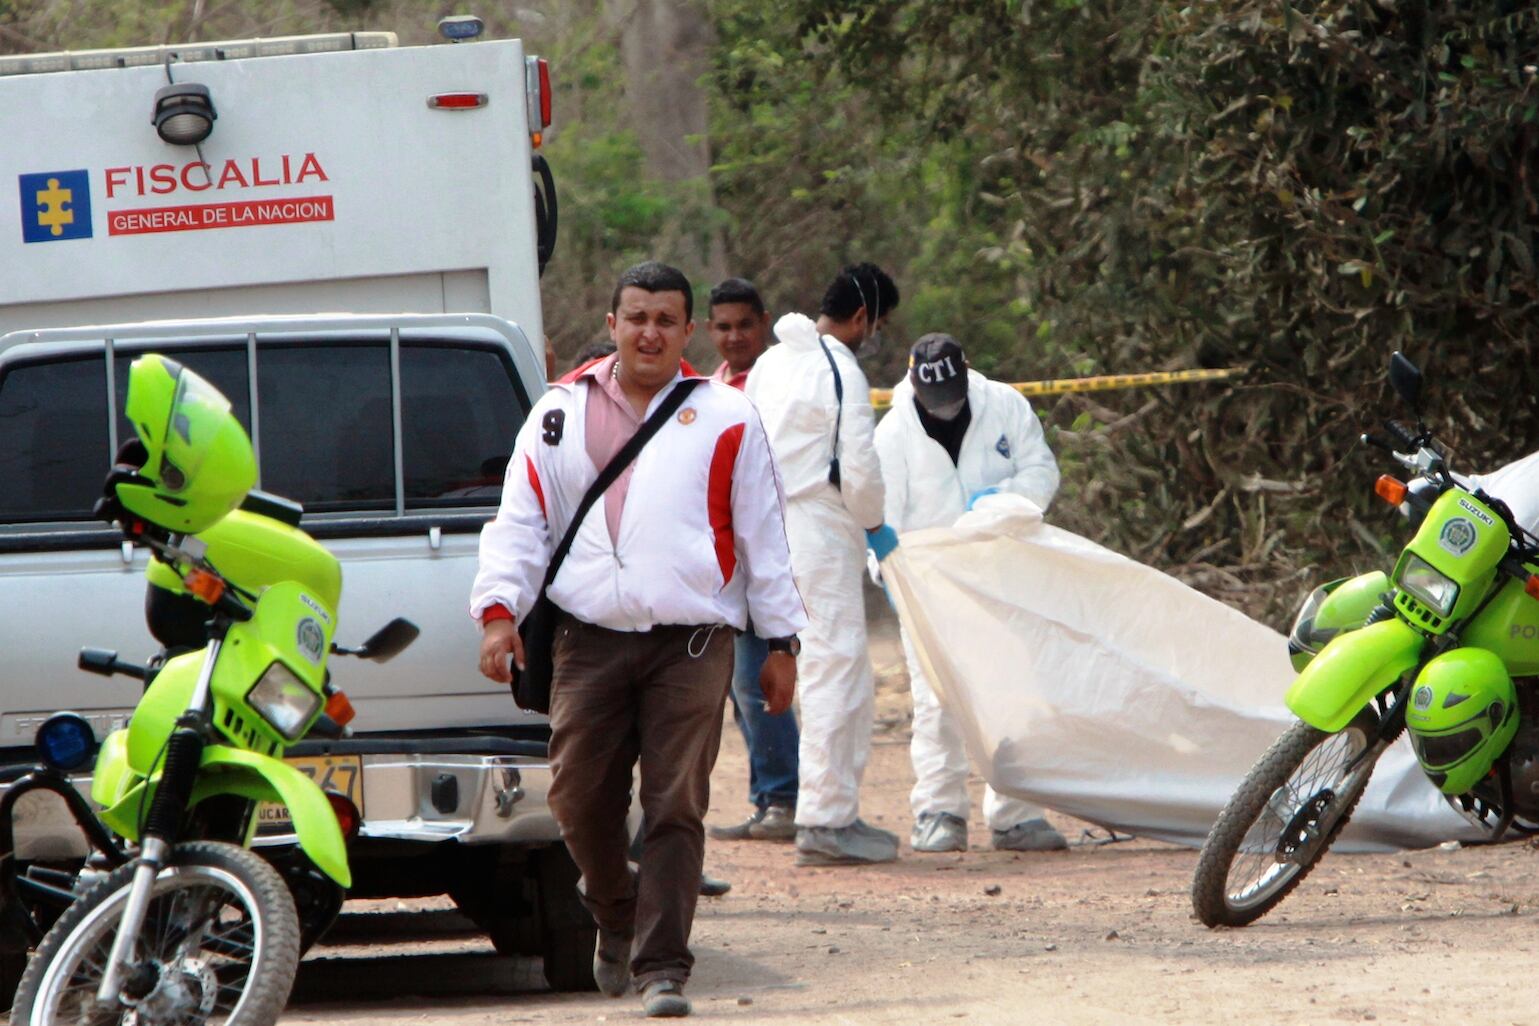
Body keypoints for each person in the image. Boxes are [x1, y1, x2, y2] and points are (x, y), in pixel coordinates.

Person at [470, 261, 806, 1018]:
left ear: (686, 332)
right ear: (611, 324)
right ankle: (614, 912)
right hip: (587, 641)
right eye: (635, 317)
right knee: (577, 800)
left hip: (691, 643)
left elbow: (762, 534)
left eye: (665, 319)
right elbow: (520, 520)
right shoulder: (557, 412)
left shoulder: (724, 414)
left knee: (674, 804)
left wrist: (780, 641)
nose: (648, 331)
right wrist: (498, 611)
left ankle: (663, 968)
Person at [873, 333, 1068, 853]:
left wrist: (999, 500)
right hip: (928, 586)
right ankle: (938, 811)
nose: (945, 409)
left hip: (1004, 576)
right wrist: (888, 574)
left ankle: (1017, 815)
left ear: (967, 372)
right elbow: (879, 515)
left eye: (953, 398)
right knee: (936, 700)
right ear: (913, 383)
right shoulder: (893, 433)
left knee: (1014, 692)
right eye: (935, 401)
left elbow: (1041, 471)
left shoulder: (1005, 405)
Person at [745, 262, 902, 866]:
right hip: (819, 527)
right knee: (837, 670)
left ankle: (821, 811)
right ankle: (827, 820)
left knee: (806, 665)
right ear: (862, 318)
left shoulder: (772, 362)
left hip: (769, 529)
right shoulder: (843, 370)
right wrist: (874, 524)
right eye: (878, 325)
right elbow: (859, 471)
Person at [703, 278, 801, 843]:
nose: (735, 336)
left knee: (757, 680)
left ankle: (784, 798)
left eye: (744, 324)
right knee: (743, 687)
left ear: (763, 323)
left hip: (767, 558)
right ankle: (771, 796)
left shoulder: (774, 383)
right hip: (726, 564)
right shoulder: (712, 388)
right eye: (724, 326)